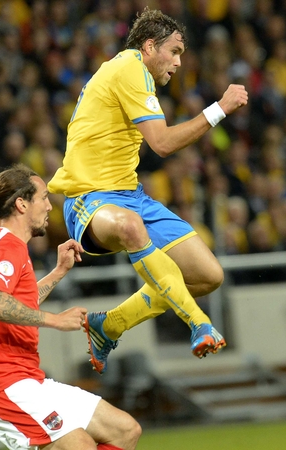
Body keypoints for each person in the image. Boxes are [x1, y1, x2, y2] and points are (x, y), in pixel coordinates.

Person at [48, 7, 248, 372]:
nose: (178, 62)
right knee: (129, 227)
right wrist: (219, 109)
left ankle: (107, 325)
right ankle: (198, 323)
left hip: (130, 195)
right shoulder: (129, 68)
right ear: (150, 46)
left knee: (208, 276)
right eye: (174, 52)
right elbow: (162, 144)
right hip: (88, 199)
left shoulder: (136, 75)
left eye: (182, 55)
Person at [0, 164, 141, 450]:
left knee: (124, 430)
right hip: (2, 384)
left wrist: (59, 271)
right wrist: (55, 321)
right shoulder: (5, 247)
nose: (49, 206)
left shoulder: (8, 247)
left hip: (26, 378)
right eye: (44, 197)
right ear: (22, 204)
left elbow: (15, 304)